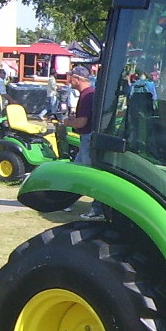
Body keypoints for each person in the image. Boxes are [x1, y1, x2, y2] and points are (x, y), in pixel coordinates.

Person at [68, 65, 105, 220]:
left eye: (71, 77)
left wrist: (67, 122)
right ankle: (67, 202)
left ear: (77, 79)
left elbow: (82, 122)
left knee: (90, 175)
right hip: (89, 137)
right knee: (76, 172)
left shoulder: (86, 96)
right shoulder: (91, 93)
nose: (69, 80)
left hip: (87, 138)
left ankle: (98, 209)